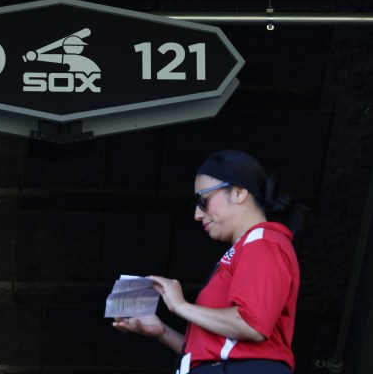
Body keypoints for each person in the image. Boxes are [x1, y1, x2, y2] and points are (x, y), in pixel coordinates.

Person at [112, 149, 307, 374]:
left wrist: (180, 306)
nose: (197, 214)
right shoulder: (247, 248)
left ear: (239, 192)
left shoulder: (262, 240)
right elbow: (213, 354)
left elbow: (251, 324)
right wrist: (162, 332)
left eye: (203, 201)